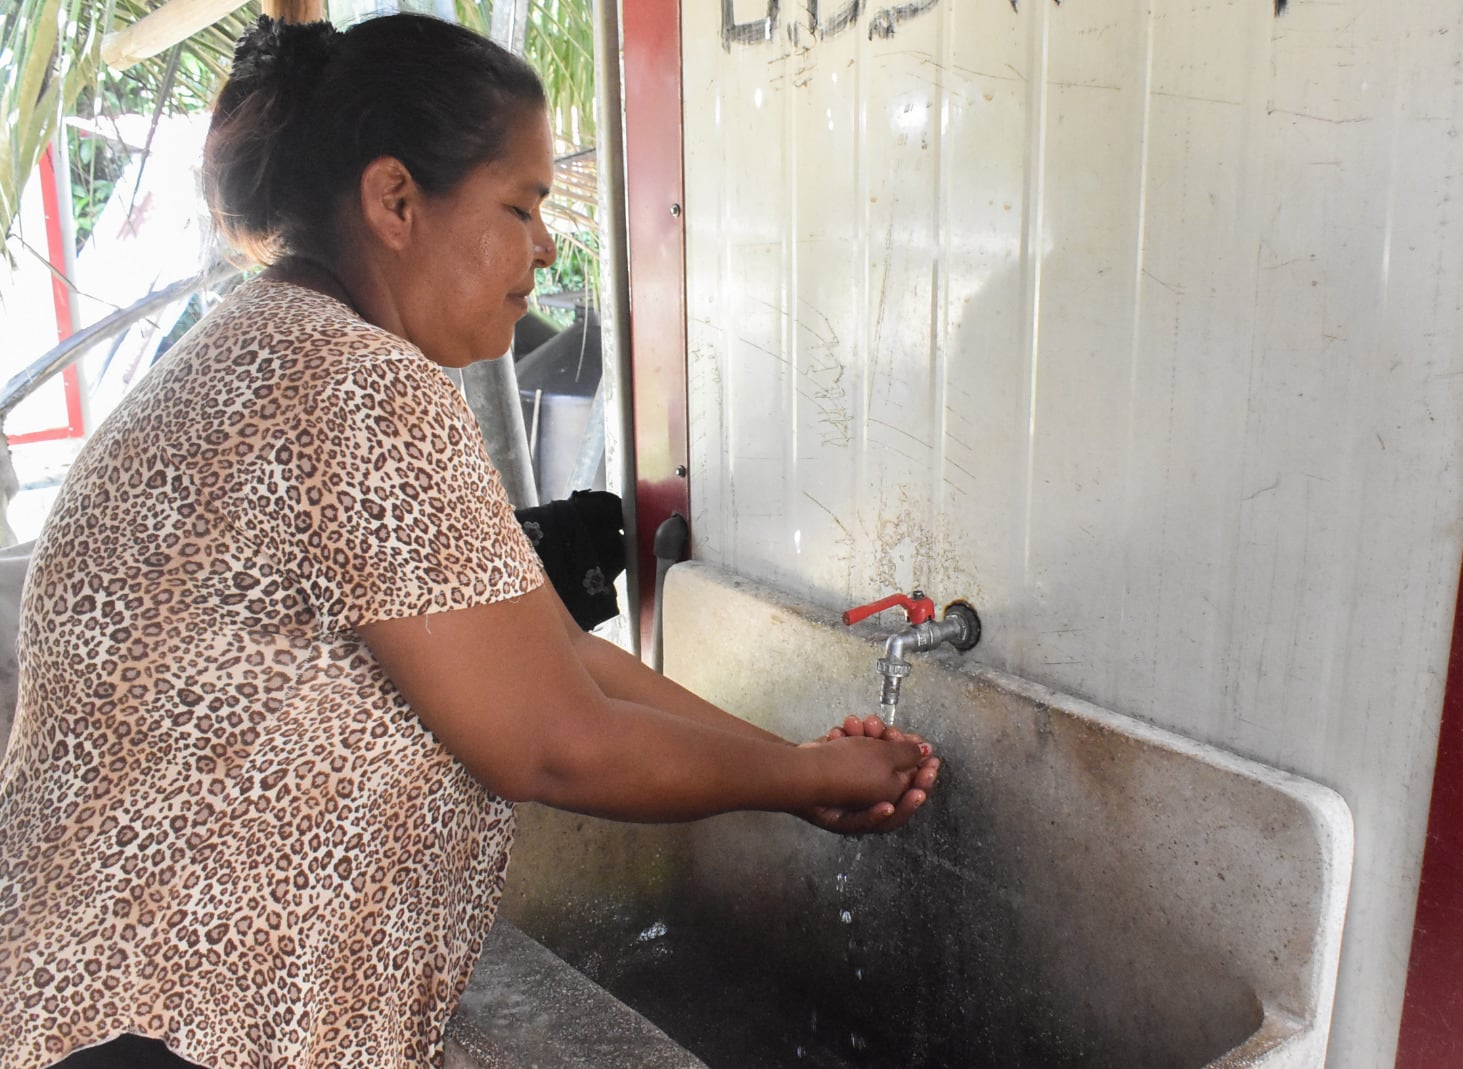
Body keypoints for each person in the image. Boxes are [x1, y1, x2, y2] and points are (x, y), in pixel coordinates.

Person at [0, 14, 939, 1069]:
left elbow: (558, 655)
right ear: (395, 200)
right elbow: (551, 739)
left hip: (99, 1004)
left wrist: (800, 760)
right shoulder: (357, 384)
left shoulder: (263, 348)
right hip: (176, 1026)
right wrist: (808, 784)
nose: (545, 247)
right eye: (522, 206)